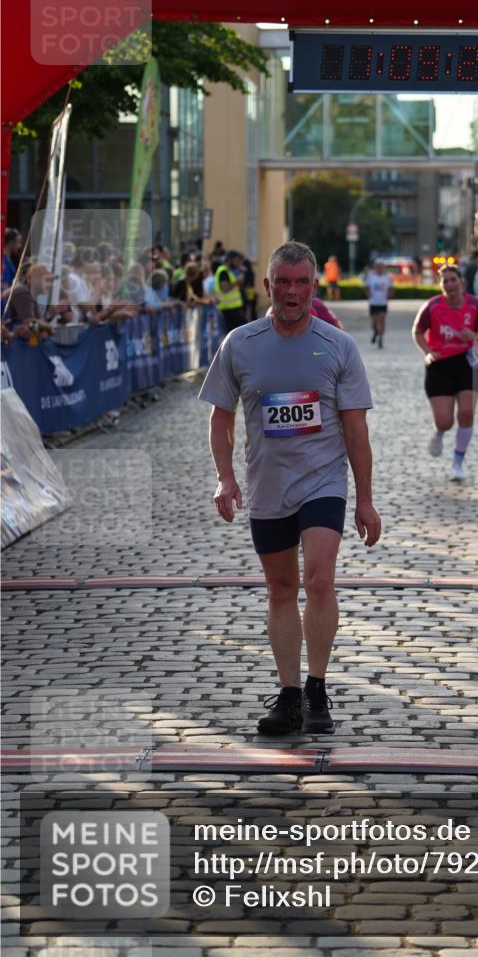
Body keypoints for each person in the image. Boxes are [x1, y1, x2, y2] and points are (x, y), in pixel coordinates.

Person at [199, 240, 381, 736]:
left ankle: (318, 686)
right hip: (268, 486)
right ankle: (289, 695)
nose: (293, 292)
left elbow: (356, 430)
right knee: (281, 589)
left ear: (315, 286)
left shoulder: (339, 346)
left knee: (319, 580)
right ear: (268, 286)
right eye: (284, 281)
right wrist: (225, 477)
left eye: (302, 283)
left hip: (324, 480)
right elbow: (221, 418)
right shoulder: (240, 343)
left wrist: (364, 499)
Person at [412, 264, 478, 481]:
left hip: (468, 363)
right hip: (440, 365)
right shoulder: (432, 306)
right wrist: (427, 353)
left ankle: (458, 462)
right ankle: (439, 432)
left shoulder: (474, 305)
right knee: (445, 421)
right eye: (444, 281)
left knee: (466, 413)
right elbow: (417, 332)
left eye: (452, 280)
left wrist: (475, 337)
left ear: (461, 282)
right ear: (441, 284)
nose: (449, 284)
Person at [213, 250, 246, 334]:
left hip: (233, 308)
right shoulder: (223, 271)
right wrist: (237, 282)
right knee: (232, 334)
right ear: (230, 260)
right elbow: (225, 288)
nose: (237, 262)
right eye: (236, 260)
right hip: (228, 309)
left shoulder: (230, 271)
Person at [364, 260, 393, 348]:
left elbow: (391, 288)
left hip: (383, 303)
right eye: (378, 267)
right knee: (374, 323)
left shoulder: (387, 277)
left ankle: (380, 339)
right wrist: (369, 295)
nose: (380, 269)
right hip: (373, 303)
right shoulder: (371, 276)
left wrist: (389, 295)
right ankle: (376, 332)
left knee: (382, 321)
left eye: (381, 267)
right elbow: (366, 287)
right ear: (375, 267)